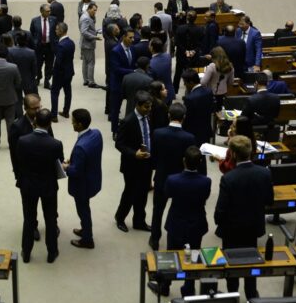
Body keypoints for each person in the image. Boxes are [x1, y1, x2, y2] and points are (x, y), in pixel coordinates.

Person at [214, 135, 273, 300]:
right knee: (252, 264)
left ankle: (233, 296)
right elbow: (269, 200)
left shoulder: (228, 178)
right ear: (251, 152)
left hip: (231, 231)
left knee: (232, 267)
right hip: (253, 228)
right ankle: (251, 297)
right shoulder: (264, 173)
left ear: (232, 154)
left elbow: (220, 212)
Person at [148, 146, 211, 298]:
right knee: (194, 256)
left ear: (184, 161)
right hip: (196, 223)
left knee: (171, 256)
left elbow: (167, 194)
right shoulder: (206, 182)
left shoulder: (172, 180)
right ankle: (188, 289)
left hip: (177, 222)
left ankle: (165, 287)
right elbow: (205, 198)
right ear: (200, 162)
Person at [16, 109, 64, 263]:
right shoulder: (56, 144)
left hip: (28, 185)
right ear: (50, 124)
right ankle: (52, 252)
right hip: (48, 186)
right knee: (50, 220)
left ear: (34, 121)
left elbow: (19, 162)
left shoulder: (23, 141)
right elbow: (59, 163)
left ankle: (27, 252)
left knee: (29, 219)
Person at [148, 103, 197, 250]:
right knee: (179, 210)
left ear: (169, 115)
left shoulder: (157, 133)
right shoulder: (189, 138)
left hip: (162, 176)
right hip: (181, 179)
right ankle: (177, 237)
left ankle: (155, 238)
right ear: (184, 118)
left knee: (158, 209)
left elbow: (153, 157)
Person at [113, 90, 154, 233]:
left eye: (150, 107)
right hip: (132, 164)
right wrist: (134, 154)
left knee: (143, 194)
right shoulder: (127, 121)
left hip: (147, 162)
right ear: (137, 105)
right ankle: (120, 218)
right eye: (146, 107)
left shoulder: (149, 117)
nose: (149, 110)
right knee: (129, 193)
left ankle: (139, 221)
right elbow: (119, 144)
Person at [64, 109, 103, 249]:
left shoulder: (81, 147)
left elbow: (75, 172)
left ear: (80, 124)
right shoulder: (97, 134)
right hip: (93, 179)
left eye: (73, 122)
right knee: (85, 209)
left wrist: (66, 167)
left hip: (82, 186)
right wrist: (75, 160)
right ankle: (85, 230)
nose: (72, 124)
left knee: (83, 211)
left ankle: (87, 239)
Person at [109, 28, 136, 134]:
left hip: (129, 84)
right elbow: (116, 69)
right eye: (130, 37)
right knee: (115, 110)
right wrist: (133, 71)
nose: (132, 39)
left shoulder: (132, 49)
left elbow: (133, 64)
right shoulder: (115, 51)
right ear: (124, 37)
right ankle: (115, 131)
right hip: (118, 84)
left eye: (133, 37)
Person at [172, 11, 204, 94]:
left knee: (178, 74)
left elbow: (177, 43)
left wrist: (185, 51)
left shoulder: (179, 28)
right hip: (194, 56)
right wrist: (193, 51)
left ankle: (174, 91)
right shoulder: (200, 29)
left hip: (181, 55)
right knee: (194, 73)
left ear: (187, 18)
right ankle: (194, 90)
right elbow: (201, 43)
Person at [181, 69, 215, 146]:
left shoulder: (189, 98)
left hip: (193, 133)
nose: (184, 84)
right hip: (205, 130)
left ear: (191, 82)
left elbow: (186, 119)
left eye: (185, 82)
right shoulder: (209, 91)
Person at [30, 4, 59, 89]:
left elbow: (56, 31)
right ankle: (38, 78)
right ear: (41, 11)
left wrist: (56, 41)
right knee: (38, 64)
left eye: (50, 11)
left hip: (50, 46)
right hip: (39, 46)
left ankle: (47, 81)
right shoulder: (35, 20)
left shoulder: (53, 19)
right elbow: (32, 32)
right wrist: (34, 43)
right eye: (47, 11)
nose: (49, 12)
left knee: (49, 64)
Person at [200, 46, 235, 113]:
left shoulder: (212, 66)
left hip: (210, 94)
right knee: (219, 112)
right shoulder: (230, 66)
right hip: (222, 94)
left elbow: (203, 82)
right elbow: (231, 82)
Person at [51, 23, 75, 122]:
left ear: (61, 31)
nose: (55, 31)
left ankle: (54, 115)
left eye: (57, 29)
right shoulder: (71, 42)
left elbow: (58, 62)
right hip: (69, 72)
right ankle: (66, 112)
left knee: (54, 93)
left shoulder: (60, 45)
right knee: (68, 92)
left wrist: (54, 71)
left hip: (60, 73)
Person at [79, 1, 101, 88]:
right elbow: (84, 31)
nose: (95, 12)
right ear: (89, 9)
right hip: (87, 44)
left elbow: (88, 29)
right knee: (91, 63)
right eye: (94, 10)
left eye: (96, 10)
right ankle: (91, 82)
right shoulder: (86, 18)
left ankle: (86, 80)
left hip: (84, 44)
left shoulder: (85, 16)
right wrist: (94, 37)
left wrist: (96, 31)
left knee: (85, 62)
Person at [148, 38, 175, 105]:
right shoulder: (168, 57)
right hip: (169, 91)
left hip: (159, 96)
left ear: (151, 48)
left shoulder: (150, 64)